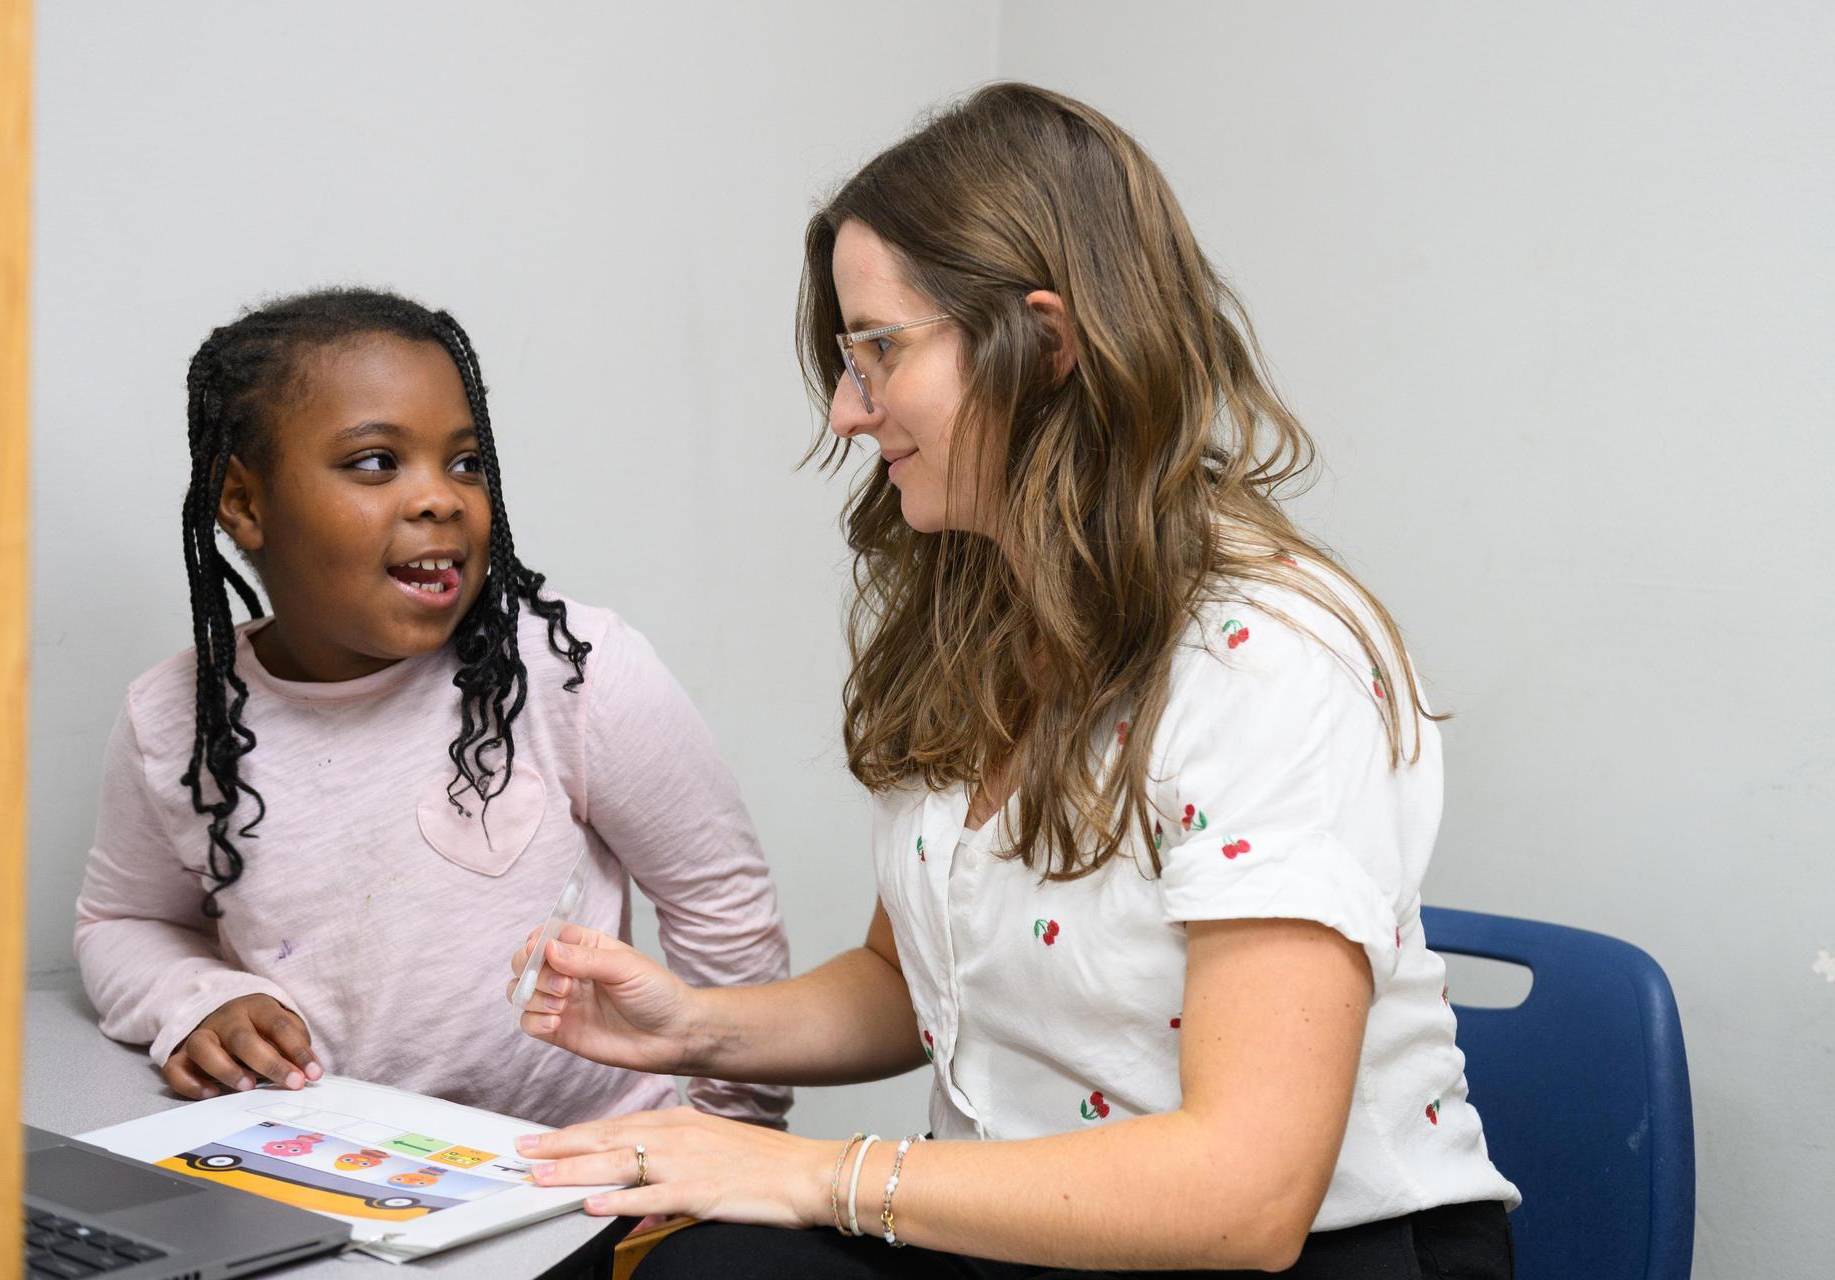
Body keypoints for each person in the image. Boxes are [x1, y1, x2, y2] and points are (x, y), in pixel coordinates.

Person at [507, 84, 1518, 1277]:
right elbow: (912, 977)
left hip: (1297, 1252)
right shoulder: (977, 611)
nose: (845, 410)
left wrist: (813, 1172)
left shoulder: (1275, 654)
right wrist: (697, 1022)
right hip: (1022, 1231)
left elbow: (1245, 1193)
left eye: (877, 350)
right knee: (687, 1264)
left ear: (1044, 341)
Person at [75, 287, 790, 1130]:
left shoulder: (573, 672)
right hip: (323, 1173)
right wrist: (198, 999)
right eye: (376, 462)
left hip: (579, 1174)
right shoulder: (177, 719)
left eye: (466, 462)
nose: (440, 499)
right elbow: (122, 921)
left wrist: (730, 1135)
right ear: (244, 503)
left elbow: (723, 910)